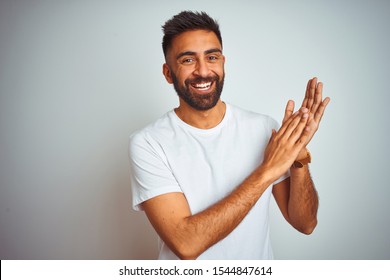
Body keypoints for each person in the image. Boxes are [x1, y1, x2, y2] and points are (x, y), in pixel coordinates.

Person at [129, 11, 330, 260]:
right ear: (168, 72)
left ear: (223, 62)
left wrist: (298, 157)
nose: (203, 71)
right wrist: (266, 171)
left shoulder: (263, 128)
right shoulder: (149, 143)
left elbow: (305, 224)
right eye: (188, 60)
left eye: (211, 57)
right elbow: (186, 244)